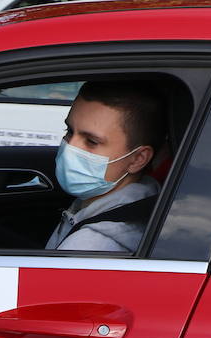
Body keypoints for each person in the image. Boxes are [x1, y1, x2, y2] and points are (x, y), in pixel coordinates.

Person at [45, 80, 166, 254]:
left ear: (137, 159)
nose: (70, 146)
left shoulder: (88, 247)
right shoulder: (144, 200)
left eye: (92, 141)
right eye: (70, 131)